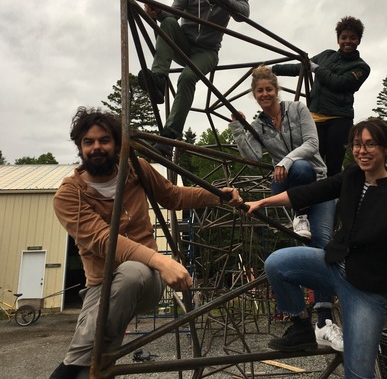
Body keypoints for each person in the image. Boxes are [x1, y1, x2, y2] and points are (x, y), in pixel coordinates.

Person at [49, 107, 242, 379]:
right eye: (88, 142)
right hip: (101, 285)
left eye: (104, 140)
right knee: (97, 362)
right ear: (80, 148)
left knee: (132, 271)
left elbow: (173, 196)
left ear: (117, 143)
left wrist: (216, 195)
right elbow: (104, 240)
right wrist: (163, 260)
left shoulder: (135, 168)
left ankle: (68, 368)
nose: (96, 147)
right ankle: (85, 367)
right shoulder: (69, 195)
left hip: (146, 277)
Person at [244, 118, 387, 379]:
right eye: (357, 144)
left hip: (366, 289)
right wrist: (262, 202)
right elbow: (312, 191)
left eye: (370, 144)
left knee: (359, 373)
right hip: (333, 265)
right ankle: (301, 326)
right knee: (276, 263)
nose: (362, 151)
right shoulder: (352, 175)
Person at [229, 65, 342, 350]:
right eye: (259, 91)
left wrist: (286, 160)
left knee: (322, 243)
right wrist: (238, 128)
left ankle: (324, 321)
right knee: (280, 260)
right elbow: (253, 154)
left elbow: (312, 143)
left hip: (318, 183)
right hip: (286, 187)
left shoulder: (297, 109)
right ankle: (299, 215)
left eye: (269, 89)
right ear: (254, 94)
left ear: (276, 90)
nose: (265, 94)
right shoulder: (259, 124)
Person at [138, 0, 250, 156]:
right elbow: (173, 15)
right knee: (168, 23)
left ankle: (169, 136)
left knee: (187, 77)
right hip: (184, 44)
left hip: (207, 52)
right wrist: (157, 13)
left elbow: (244, 14)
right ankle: (159, 79)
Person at [272, 16, 370, 176]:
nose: (348, 41)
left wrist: (316, 69)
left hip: (339, 119)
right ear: (338, 40)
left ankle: (333, 192)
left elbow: (338, 82)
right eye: (344, 37)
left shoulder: (361, 67)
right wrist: (273, 69)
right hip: (315, 119)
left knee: (333, 166)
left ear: (359, 40)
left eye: (353, 38)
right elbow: (301, 68)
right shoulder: (326, 55)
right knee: (311, 163)